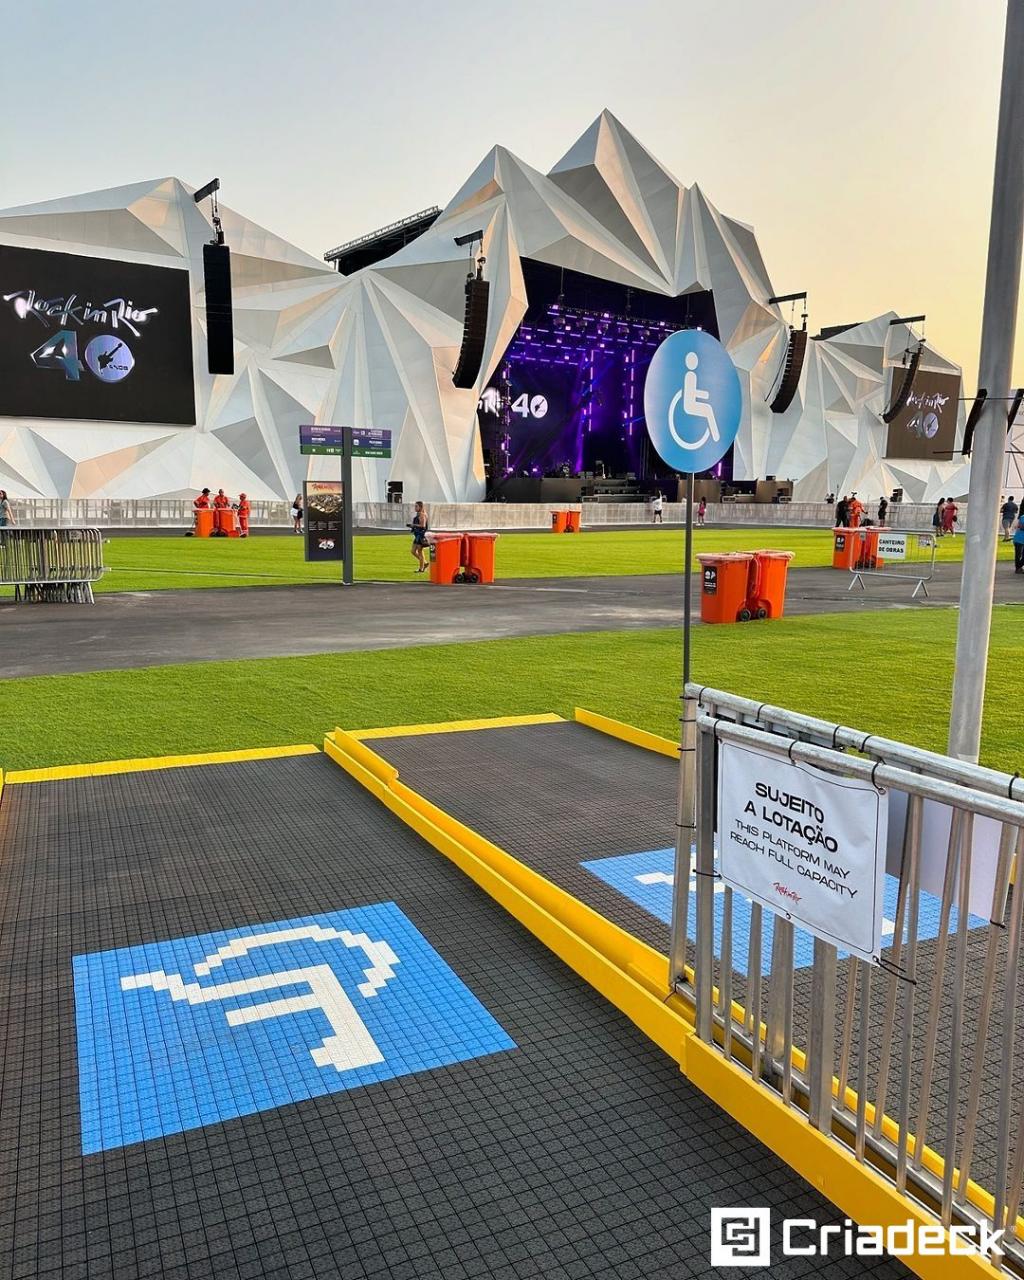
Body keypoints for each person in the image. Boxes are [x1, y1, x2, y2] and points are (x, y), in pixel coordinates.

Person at [409, 500, 429, 573]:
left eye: (416, 506)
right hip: (417, 535)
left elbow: (423, 526)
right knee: (413, 551)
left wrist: (413, 525)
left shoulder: (422, 515)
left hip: (420, 535)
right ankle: (425, 563)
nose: (415, 507)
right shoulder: (418, 514)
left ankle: (421, 568)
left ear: (420, 507)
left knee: (420, 551)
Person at [1014, 509, 1024, 574]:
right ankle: (1018, 568)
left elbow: (1019, 526)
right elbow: (1021, 526)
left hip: (1019, 539)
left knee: (1019, 555)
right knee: (1018, 555)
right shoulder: (1023, 517)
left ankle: (1018, 568)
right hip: (1019, 539)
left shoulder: (1022, 516)